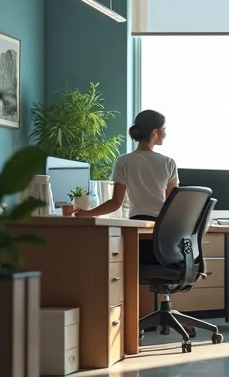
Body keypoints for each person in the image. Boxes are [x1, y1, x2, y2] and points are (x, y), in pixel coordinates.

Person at [75, 109, 178, 263]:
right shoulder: (168, 162)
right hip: (161, 231)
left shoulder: (123, 161)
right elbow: (172, 204)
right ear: (155, 132)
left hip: (136, 229)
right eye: (164, 130)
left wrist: (86, 213)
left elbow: (115, 203)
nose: (165, 133)